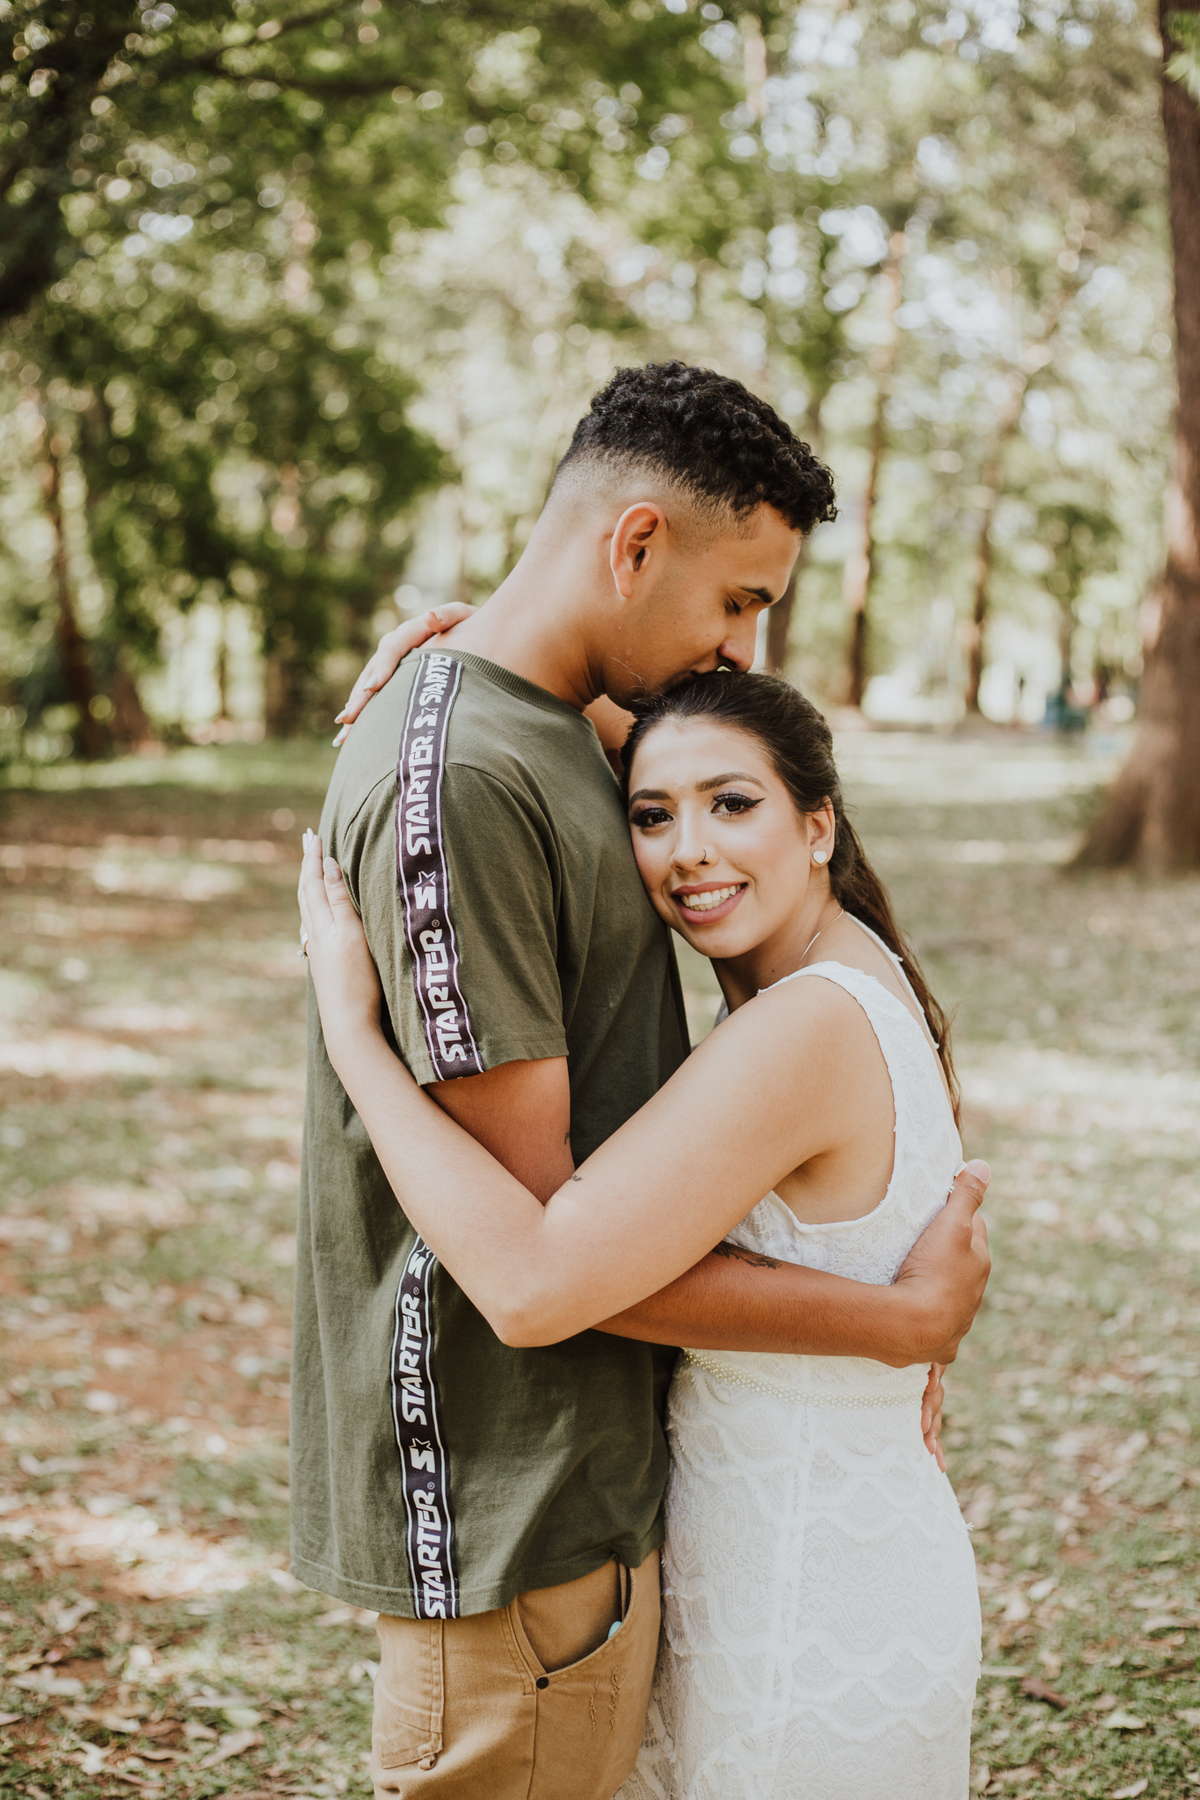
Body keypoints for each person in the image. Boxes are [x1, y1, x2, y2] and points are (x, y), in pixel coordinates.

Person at [292, 361, 990, 1800]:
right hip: (528, 1511)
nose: (743, 648)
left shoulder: (578, 740)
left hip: (677, 1530)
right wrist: (892, 1321)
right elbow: (540, 1260)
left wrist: (449, 648)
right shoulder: (488, 764)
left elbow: (644, 754)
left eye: (733, 804)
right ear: (633, 546)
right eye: (740, 599)